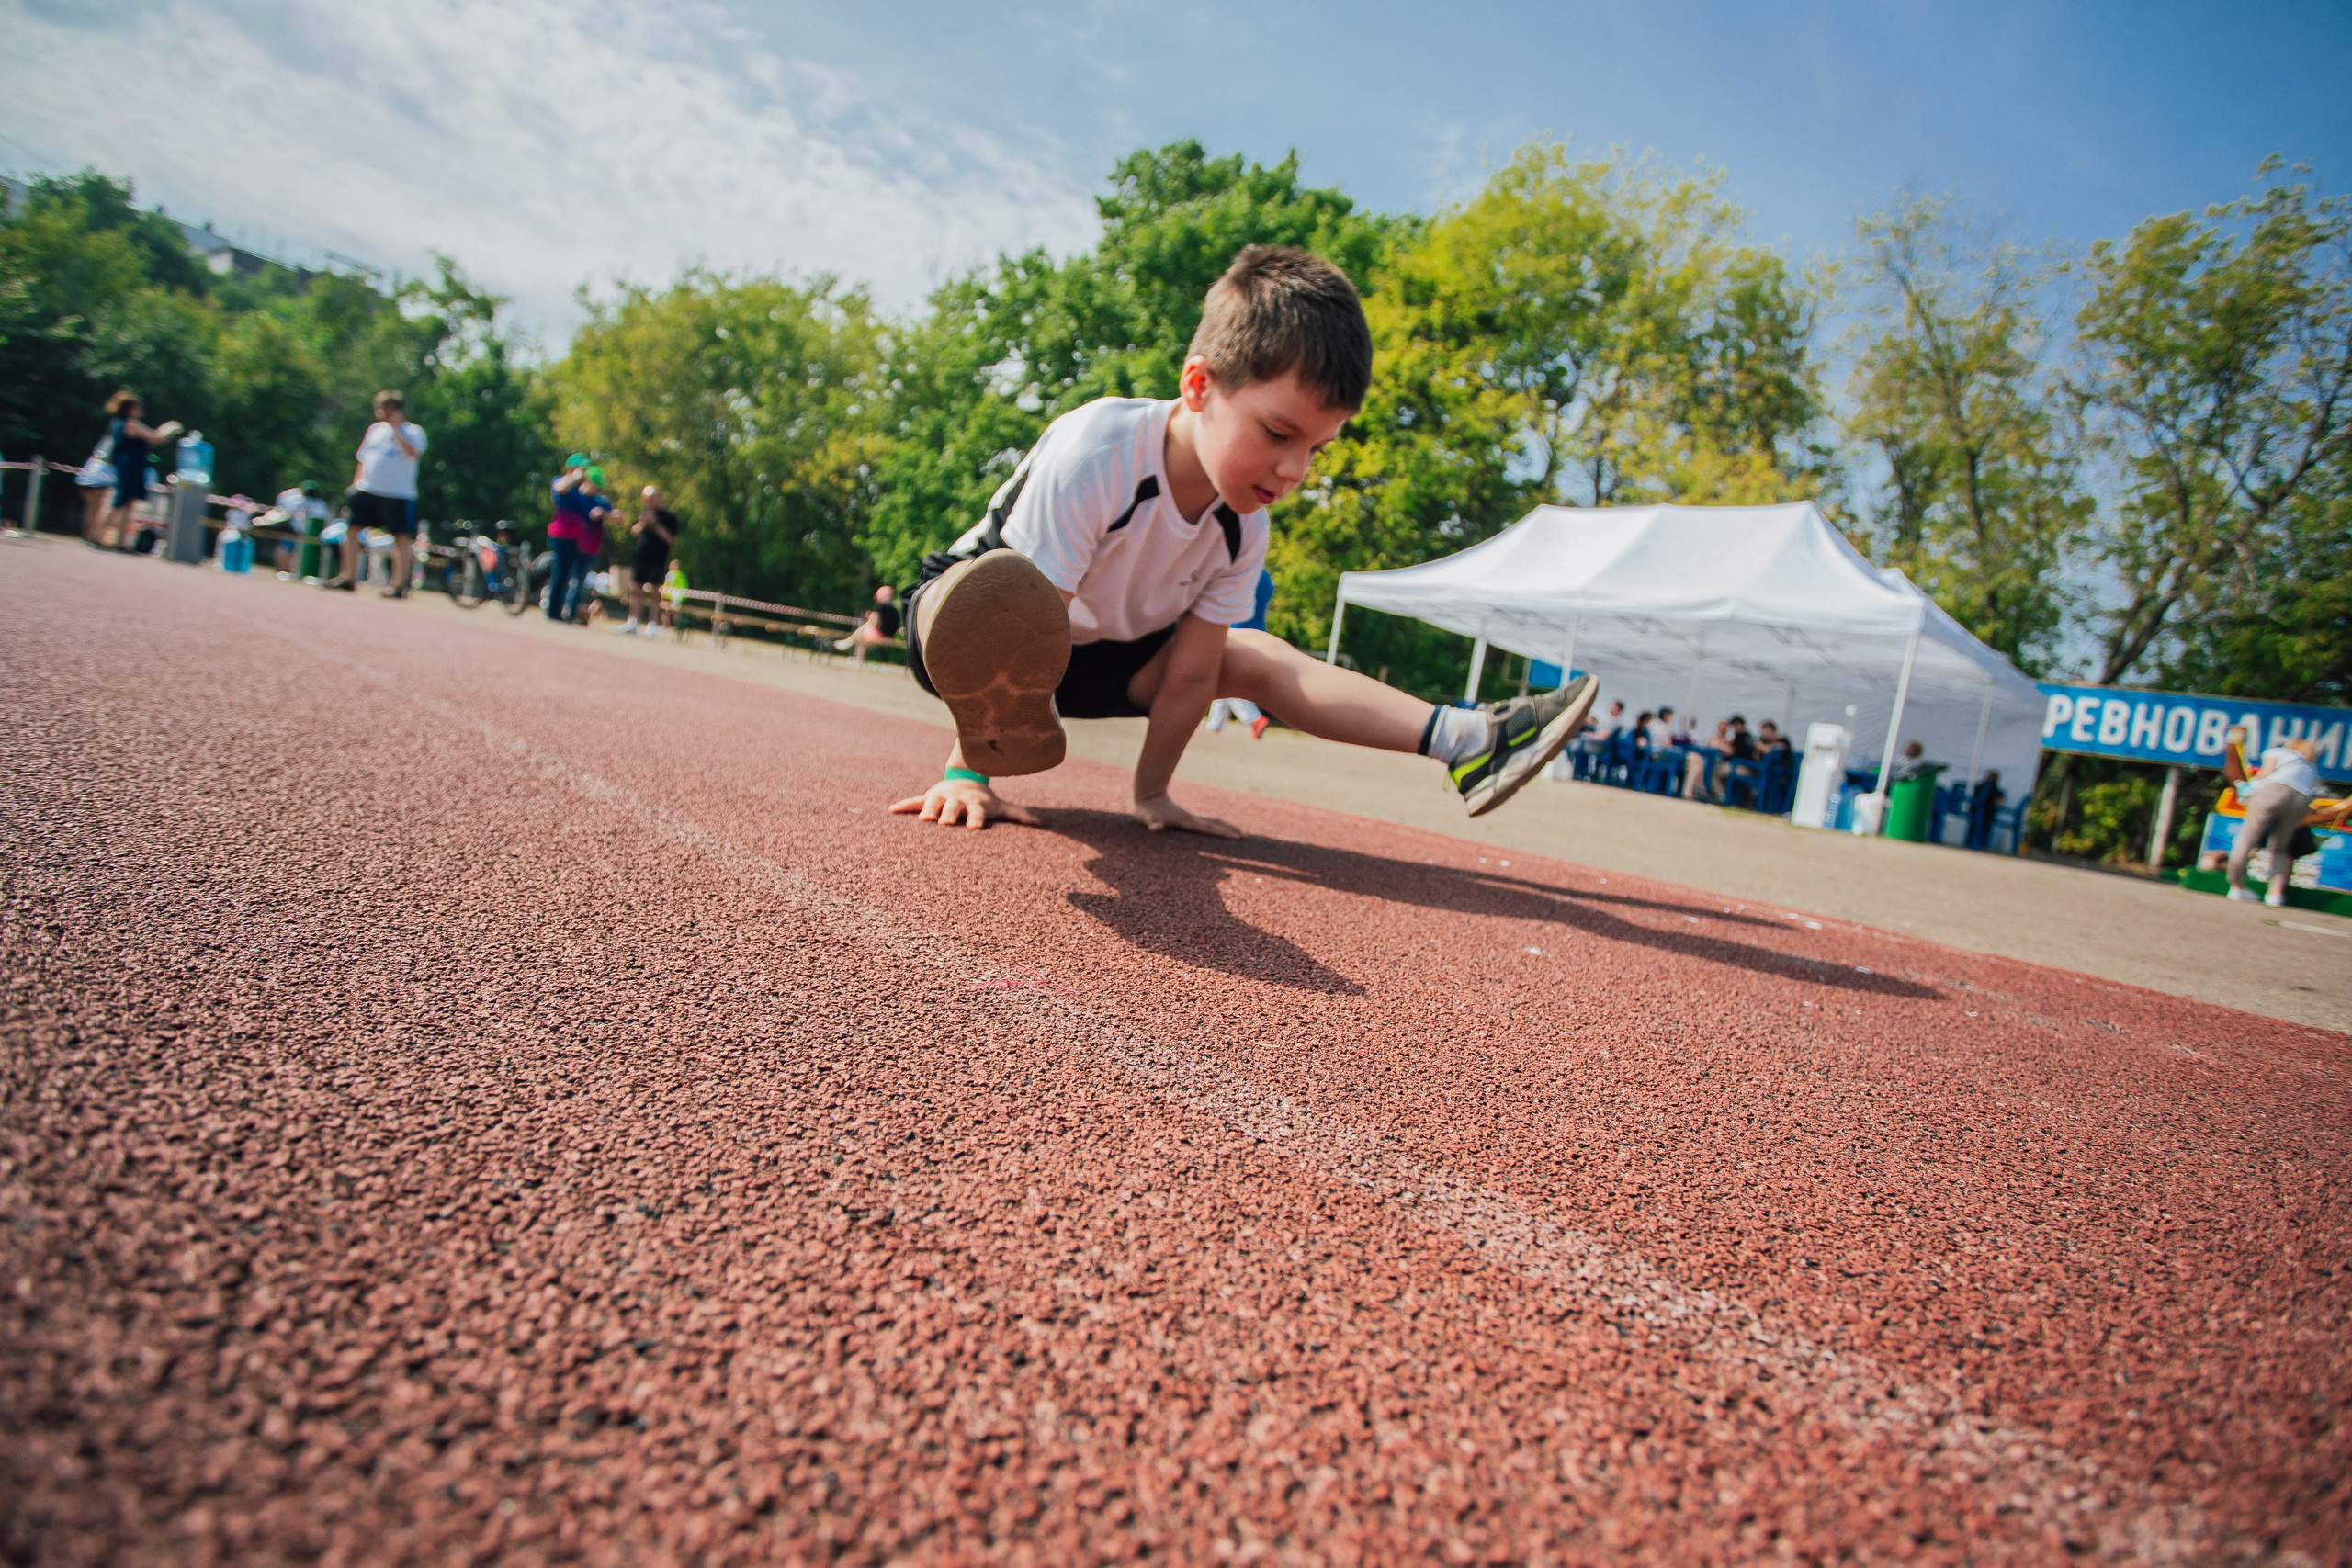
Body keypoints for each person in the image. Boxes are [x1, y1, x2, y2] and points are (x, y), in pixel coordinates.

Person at [889, 245, 1597, 835]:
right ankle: (974, 753)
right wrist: (966, 774)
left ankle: (1467, 740)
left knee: (1248, 653)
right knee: (986, 596)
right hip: (968, 636)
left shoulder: (1243, 526)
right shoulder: (1099, 449)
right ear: (1199, 385)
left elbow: (1191, 678)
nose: (1294, 471)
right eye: (1279, 433)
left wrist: (1152, 793)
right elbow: (1011, 631)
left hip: (1097, 664)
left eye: (1316, 448)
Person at [329, 391, 426, 595]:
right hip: (367, 489)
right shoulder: (374, 430)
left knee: (400, 537)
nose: (383, 414)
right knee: (351, 530)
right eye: (381, 410)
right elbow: (363, 460)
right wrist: (355, 487)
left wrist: (396, 430)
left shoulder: (414, 431)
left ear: (399, 411)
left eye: (388, 410)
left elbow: (412, 454)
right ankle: (348, 577)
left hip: (397, 494)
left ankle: (398, 585)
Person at [2228, 733, 2324, 907]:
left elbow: (2265, 774)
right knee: (2280, 848)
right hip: (2300, 800)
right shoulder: (2311, 768)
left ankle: (2236, 886)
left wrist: (2248, 786)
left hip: (2273, 792)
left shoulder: (2279, 752)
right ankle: (2275, 893)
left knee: (2246, 840)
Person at [91, 391, 181, 549]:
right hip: (129, 465)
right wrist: (170, 427)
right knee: (118, 501)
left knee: (127, 503)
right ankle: (96, 537)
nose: (140, 410)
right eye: (137, 407)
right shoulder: (130, 424)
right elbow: (156, 437)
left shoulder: (117, 423)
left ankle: (121, 541)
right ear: (129, 409)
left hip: (128, 464)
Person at [1206, 567, 1276, 738]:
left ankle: (1254, 718)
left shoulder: (1243, 570)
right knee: (1222, 674)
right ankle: (1215, 724)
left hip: (1237, 628)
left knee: (1226, 677)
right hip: (1258, 629)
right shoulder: (1267, 578)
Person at [545, 458, 613, 624]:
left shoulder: (579, 492)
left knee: (567, 576)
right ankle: (553, 612)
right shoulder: (562, 482)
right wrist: (574, 476)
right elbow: (559, 487)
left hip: (576, 538)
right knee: (560, 573)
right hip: (561, 535)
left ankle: (562, 611)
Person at [618, 486, 679, 636]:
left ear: (659, 498)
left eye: (651, 499)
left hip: (657, 559)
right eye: (646, 500)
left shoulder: (669, 517)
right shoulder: (644, 514)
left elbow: (670, 539)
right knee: (636, 589)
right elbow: (634, 531)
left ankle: (652, 624)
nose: (649, 503)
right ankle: (633, 621)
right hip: (641, 556)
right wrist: (643, 523)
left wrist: (655, 524)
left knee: (655, 592)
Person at [834, 585, 902, 660]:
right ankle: (847, 643)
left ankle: (857, 657)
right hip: (891, 637)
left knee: (863, 633)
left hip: (881, 635)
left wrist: (870, 617)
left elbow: (874, 622)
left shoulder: (879, 606)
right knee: (864, 629)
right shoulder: (895, 610)